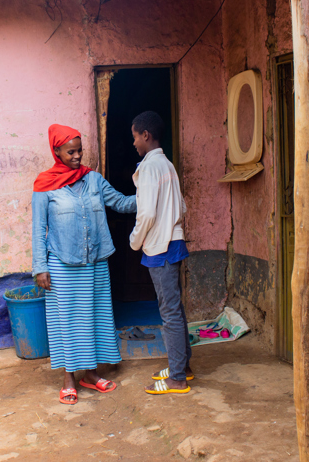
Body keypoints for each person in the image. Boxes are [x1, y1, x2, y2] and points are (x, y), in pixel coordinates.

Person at [32, 124, 137, 405]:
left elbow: (122, 203)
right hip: (62, 266)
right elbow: (37, 228)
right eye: (71, 151)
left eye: (80, 150)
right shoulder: (44, 185)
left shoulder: (93, 180)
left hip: (95, 263)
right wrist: (40, 267)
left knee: (94, 318)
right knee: (67, 322)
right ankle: (69, 378)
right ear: (56, 152)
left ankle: (90, 375)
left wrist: (154, 195)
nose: (77, 156)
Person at [129, 111, 194, 395]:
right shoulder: (167, 165)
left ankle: (177, 378)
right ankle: (183, 368)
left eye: (134, 137)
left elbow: (145, 214)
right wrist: (171, 224)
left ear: (146, 135)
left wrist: (134, 241)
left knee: (169, 314)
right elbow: (182, 207)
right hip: (173, 242)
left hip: (160, 247)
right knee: (175, 311)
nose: (133, 144)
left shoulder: (148, 168)